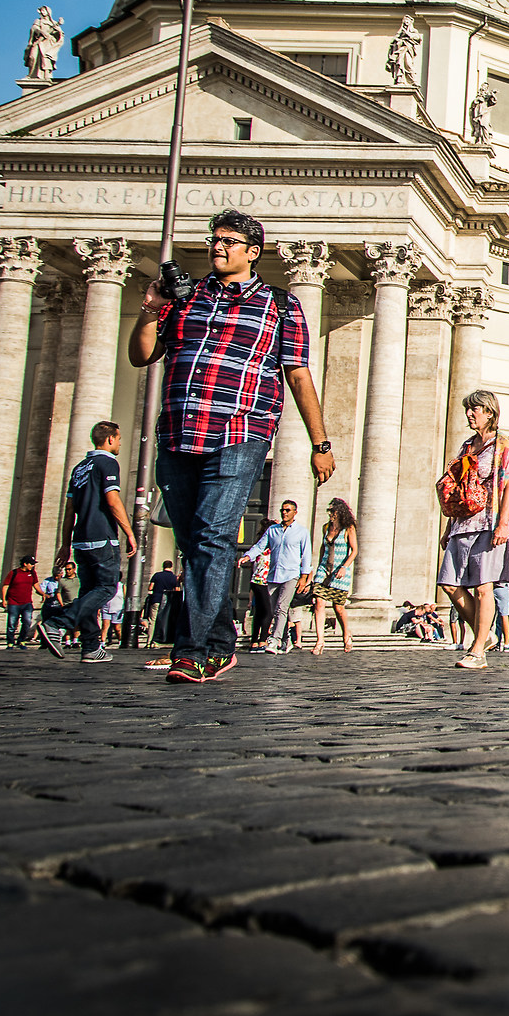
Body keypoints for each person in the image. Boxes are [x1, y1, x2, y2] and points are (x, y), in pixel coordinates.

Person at [127, 208, 334, 685]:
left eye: (228, 241)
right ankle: (220, 645)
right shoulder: (185, 298)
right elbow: (142, 356)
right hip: (178, 431)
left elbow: (298, 374)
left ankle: (193, 650)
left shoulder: (280, 305)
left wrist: (319, 442)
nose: (217, 247)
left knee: (212, 537)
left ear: (253, 252)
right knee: (195, 544)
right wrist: (151, 308)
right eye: (214, 239)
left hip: (240, 432)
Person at [40, 421, 135, 664]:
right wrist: (129, 532)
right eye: (119, 438)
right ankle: (57, 623)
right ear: (110, 439)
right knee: (107, 588)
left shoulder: (79, 468)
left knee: (87, 593)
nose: (120, 443)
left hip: (81, 540)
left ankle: (91, 647)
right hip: (102, 537)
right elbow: (112, 500)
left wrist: (65, 544)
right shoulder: (107, 463)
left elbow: (69, 509)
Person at [437, 390, 509, 670]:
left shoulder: (504, 445)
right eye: (468, 409)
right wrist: (449, 526)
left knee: (484, 587)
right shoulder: (467, 446)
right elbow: (460, 486)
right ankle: (487, 634)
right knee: (449, 583)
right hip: (463, 523)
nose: (470, 414)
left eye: (475, 409)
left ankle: (478, 650)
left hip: (490, 522)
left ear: (489, 412)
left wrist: (503, 524)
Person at [238, 497, 311, 656]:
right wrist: (248, 556)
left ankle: (274, 640)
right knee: (272, 609)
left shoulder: (302, 532)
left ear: (295, 512)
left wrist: (304, 577)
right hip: (273, 575)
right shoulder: (272, 530)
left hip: (291, 575)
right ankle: (286, 639)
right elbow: (260, 546)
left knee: (281, 608)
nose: (284, 513)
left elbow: (306, 556)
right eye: (282, 510)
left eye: (287, 510)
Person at [310, 498, 359, 653]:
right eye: (329, 511)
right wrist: (318, 567)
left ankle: (346, 633)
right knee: (319, 603)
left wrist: (344, 567)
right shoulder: (326, 527)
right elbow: (323, 548)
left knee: (338, 608)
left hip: (340, 570)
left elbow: (354, 550)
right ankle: (320, 641)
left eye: (333, 511)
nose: (330, 514)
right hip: (324, 570)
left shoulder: (348, 528)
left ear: (340, 512)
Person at [1, 557, 40, 648]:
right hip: (14, 602)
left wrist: (43, 594)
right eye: (31, 564)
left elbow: (36, 585)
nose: (32, 565)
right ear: (25, 564)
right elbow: (5, 586)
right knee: (12, 624)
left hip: (27, 603)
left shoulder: (32, 573)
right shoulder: (14, 573)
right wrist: (4, 600)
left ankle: (21, 640)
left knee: (27, 622)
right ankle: (10, 642)